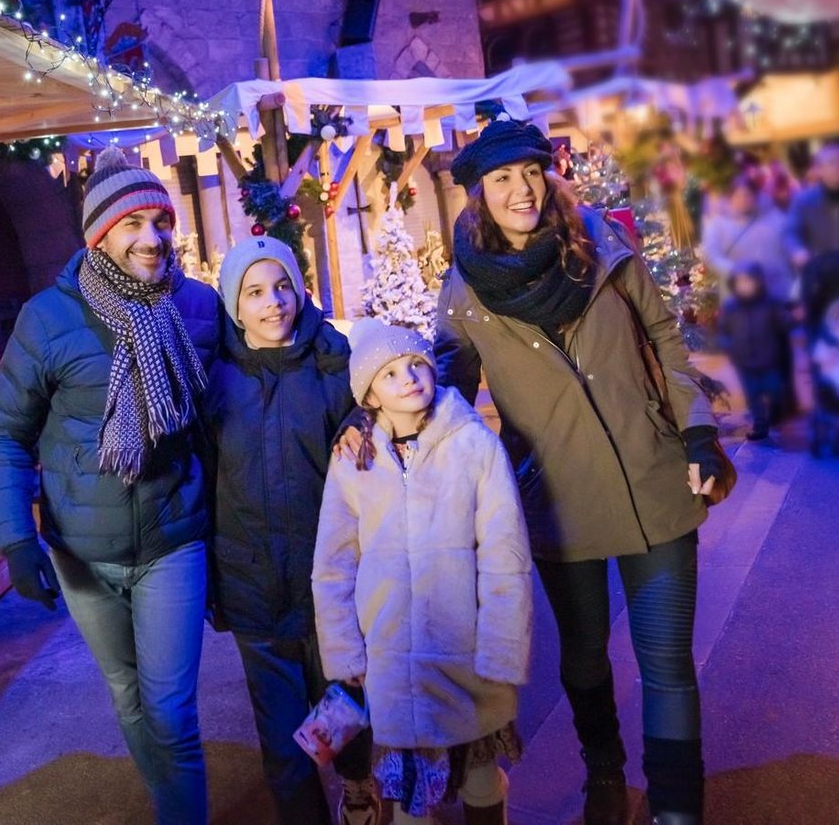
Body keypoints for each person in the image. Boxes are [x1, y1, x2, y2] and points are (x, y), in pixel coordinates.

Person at [433, 116, 734, 825]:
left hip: (654, 478)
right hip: (558, 499)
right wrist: (370, 409)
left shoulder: (600, 244)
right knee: (585, 658)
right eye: (503, 177)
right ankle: (604, 775)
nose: (522, 190)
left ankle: (676, 809)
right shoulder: (466, 288)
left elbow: (665, 337)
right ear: (478, 192)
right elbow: (443, 381)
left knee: (665, 661)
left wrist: (695, 430)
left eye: (532, 172)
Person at [0, 146, 219, 825]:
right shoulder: (49, 319)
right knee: (126, 695)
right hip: (81, 550)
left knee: (171, 712)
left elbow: (269, 356)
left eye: (161, 223)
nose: (151, 239)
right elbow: (5, 433)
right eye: (133, 224)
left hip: (173, 537)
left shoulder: (196, 307)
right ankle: (172, 802)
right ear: (100, 236)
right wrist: (16, 541)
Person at [313, 319, 532, 825]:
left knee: (479, 775)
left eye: (416, 364)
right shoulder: (354, 461)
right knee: (408, 790)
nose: (409, 377)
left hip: (467, 651)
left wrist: (502, 648)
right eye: (389, 374)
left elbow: (506, 554)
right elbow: (333, 565)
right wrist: (346, 651)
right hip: (390, 656)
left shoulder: (475, 446)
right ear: (369, 395)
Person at [204, 236, 377, 825]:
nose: (273, 303)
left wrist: (361, 420)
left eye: (282, 287)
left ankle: (357, 786)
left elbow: (377, 404)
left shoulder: (333, 364)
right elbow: (203, 477)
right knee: (283, 745)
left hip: (330, 586)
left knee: (345, 711)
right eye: (254, 292)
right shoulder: (215, 379)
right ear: (234, 304)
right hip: (254, 586)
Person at [716, 264, 792, 440]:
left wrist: (792, 318)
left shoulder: (770, 303)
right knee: (753, 395)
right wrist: (728, 346)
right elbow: (723, 330)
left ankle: (775, 412)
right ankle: (760, 426)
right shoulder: (730, 307)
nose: (744, 285)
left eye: (748, 281)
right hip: (744, 360)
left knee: (775, 389)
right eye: (740, 281)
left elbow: (783, 323)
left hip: (768, 359)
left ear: (758, 282)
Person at [701, 175, 793, 303]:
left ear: (755, 197)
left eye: (747, 195)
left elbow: (789, 241)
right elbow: (712, 254)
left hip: (774, 290)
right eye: (738, 196)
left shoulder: (772, 218)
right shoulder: (717, 224)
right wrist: (738, 272)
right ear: (730, 198)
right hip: (738, 293)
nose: (743, 200)